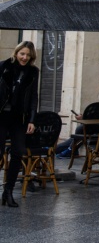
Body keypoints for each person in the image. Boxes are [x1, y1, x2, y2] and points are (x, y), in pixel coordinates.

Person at [0, 41, 39, 207]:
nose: (24, 57)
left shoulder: (33, 72)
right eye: (22, 54)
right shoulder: (3, 66)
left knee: (18, 153)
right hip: (1, 115)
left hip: (19, 118)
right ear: (16, 53)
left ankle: (8, 191)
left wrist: (32, 120)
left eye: (28, 55)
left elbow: (33, 97)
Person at [56, 77, 99, 158]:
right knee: (77, 135)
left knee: (80, 129)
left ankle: (69, 150)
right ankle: (67, 149)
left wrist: (84, 118)